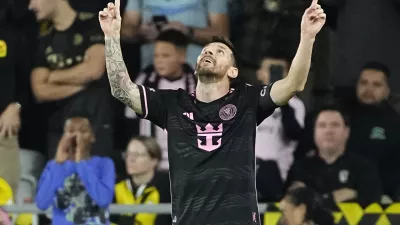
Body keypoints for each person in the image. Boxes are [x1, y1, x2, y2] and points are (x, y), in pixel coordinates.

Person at [99, 0, 326, 223]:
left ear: (234, 71)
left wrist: (307, 38)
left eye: (220, 51)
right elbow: (122, 90)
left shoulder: (247, 100)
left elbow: (293, 84)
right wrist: (111, 38)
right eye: (206, 50)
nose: (210, 52)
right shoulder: (173, 104)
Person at [29, 0, 114, 159]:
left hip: (95, 122)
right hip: (58, 125)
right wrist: (83, 83)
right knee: (60, 181)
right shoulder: (44, 38)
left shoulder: (93, 24)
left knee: (93, 179)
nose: (31, 6)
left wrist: (54, 76)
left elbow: (94, 70)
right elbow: (40, 91)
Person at [124, 29, 196, 170]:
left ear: (182, 56)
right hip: (149, 165)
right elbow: (129, 120)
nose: (159, 61)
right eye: (156, 56)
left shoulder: (198, 84)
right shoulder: (144, 81)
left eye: (166, 56)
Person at [286, 105, 382, 208]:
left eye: (335, 125)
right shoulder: (301, 167)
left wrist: (314, 198)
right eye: (322, 126)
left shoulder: (364, 168)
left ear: (346, 131)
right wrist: (335, 197)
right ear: (314, 132)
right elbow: (290, 203)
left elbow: (372, 204)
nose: (328, 131)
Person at [35, 113, 115, 225]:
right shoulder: (53, 166)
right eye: (71, 131)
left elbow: (103, 200)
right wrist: (58, 164)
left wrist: (81, 163)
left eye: (83, 131)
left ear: (92, 136)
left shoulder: (104, 164)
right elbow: (42, 204)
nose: (76, 136)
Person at [112, 136, 171, 225]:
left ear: (154, 160)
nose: (131, 159)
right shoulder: (116, 186)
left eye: (137, 155)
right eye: (128, 154)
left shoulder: (168, 190)